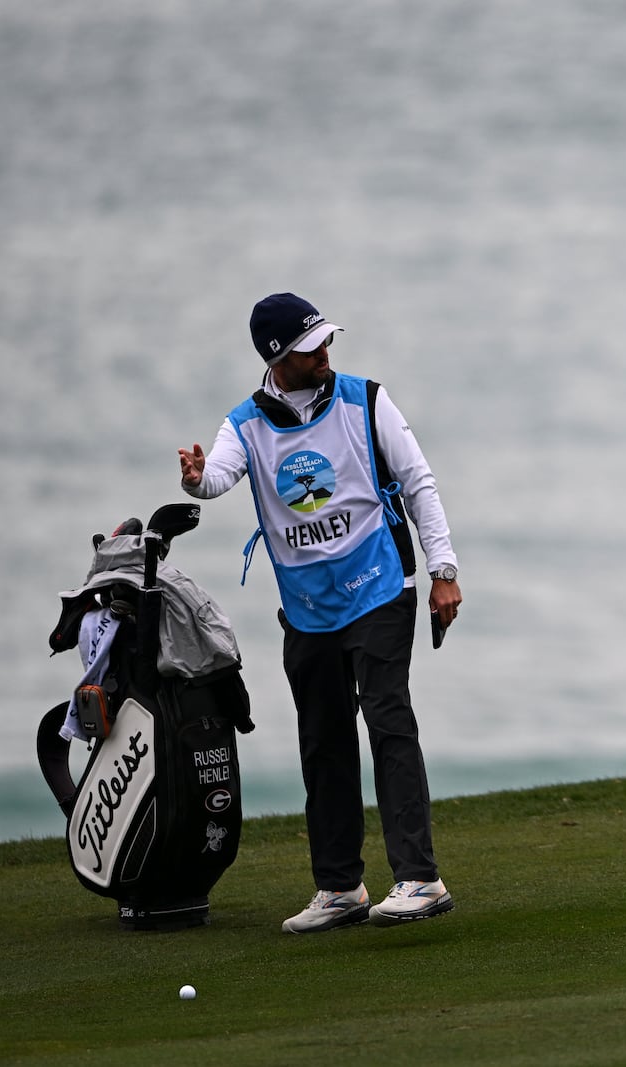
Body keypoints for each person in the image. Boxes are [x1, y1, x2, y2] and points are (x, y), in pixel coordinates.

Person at [179, 292, 463, 933]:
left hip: (380, 587)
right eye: (311, 348)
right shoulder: (245, 424)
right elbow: (219, 478)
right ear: (278, 358)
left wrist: (443, 571)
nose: (325, 354)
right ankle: (340, 889)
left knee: (389, 721)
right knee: (324, 744)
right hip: (307, 609)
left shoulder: (366, 398)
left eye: (326, 341)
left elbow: (419, 483)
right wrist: (196, 481)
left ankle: (420, 879)